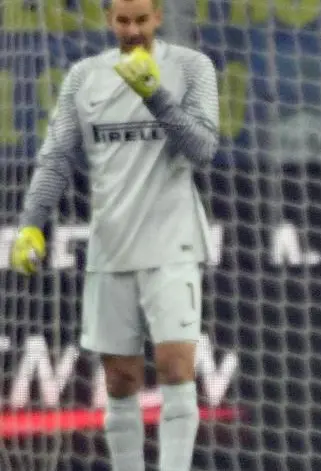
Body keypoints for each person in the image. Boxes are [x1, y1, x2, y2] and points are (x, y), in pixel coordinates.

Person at [9, 0, 218, 469]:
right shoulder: (85, 78)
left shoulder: (190, 67)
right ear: (109, 20)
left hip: (173, 242)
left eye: (141, 20)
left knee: (176, 366)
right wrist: (30, 224)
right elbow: (55, 157)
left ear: (158, 17)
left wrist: (156, 96)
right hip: (110, 244)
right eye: (123, 21)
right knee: (120, 379)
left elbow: (204, 147)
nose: (132, 30)